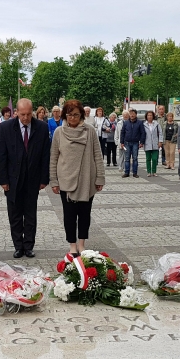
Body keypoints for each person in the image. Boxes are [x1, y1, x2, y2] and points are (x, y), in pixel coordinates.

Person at [0, 98, 50, 259]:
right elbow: (1, 156)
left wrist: (44, 178)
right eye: (22, 114)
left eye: (28, 114)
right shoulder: (6, 127)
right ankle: (18, 246)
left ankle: (29, 246)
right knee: (15, 215)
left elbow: (45, 155)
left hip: (32, 178)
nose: (26, 118)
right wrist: (3, 180)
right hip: (13, 179)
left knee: (30, 214)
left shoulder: (41, 127)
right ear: (16, 112)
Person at [50, 100, 105, 256]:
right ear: (64, 115)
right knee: (69, 215)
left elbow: (97, 155)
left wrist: (100, 177)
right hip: (66, 180)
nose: (72, 118)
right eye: (69, 114)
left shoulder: (90, 131)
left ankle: (82, 244)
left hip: (86, 179)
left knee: (84, 214)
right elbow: (53, 158)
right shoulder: (59, 132)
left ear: (81, 114)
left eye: (75, 114)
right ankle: (72, 245)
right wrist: (53, 180)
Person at [120, 108, 145, 178]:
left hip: (135, 143)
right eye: (130, 114)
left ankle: (135, 173)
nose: (132, 115)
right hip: (127, 143)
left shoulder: (140, 123)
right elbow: (122, 133)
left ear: (136, 115)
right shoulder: (126, 123)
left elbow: (143, 133)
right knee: (127, 158)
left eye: (133, 114)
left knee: (135, 158)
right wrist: (121, 142)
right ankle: (126, 172)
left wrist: (142, 142)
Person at [142, 111, 163, 177]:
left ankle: (154, 171)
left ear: (153, 116)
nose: (149, 117)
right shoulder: (144, 124)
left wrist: (160, 141)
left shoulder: (156, 124)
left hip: (155, 143)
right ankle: (149, 171)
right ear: (146, 116)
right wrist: (141, 142)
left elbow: (160, 133)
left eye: (151, 115)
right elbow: (142, 134)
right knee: (148, 158)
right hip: (147, 143)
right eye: (148, 115)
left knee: (154, 159)